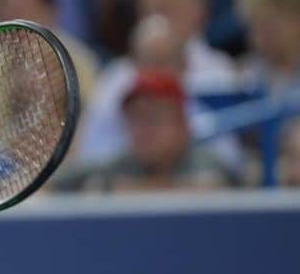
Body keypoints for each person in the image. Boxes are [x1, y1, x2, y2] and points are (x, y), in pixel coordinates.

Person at [60, 69, 236, 192]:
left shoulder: (209, 163)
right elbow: (53, 186)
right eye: (134, 119)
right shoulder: (114, 166)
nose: (142, 129)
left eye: (153, 119)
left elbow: (212, 186)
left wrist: (115, 190)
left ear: (181, 125)